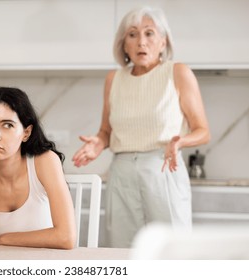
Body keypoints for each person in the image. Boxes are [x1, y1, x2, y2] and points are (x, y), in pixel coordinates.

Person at [72, 6, 210, 248]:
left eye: (149, 33)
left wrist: (180, 141)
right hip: (121, 173)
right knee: (124, 250)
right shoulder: (114, 79)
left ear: (163, 42)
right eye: (133, 34)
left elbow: (202, 130)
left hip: (163, 168)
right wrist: (98, 143)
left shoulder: (177, 73)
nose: (141, 42)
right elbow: (106, 131)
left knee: (172, 250)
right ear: (124, 45)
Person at [0, 87, 76, 249]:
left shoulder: (45, 161)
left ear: (26, 133)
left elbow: (66, 237)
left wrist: (5, 239)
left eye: (7, 125)